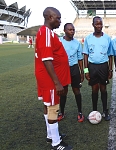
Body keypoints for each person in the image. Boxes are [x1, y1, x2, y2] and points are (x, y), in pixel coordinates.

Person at [35, 7, 73, 150]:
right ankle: (56, 143)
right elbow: (47, 60)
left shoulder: (48, 33)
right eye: (58, 18)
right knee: (53, 108)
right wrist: (57, 83)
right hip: (49, 79)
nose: (60, 21)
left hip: (47, 77)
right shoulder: (45, 32)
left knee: (47, 105)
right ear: (50, 18)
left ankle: (51, 135)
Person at [83, 16, 113, 121]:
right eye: (97, 23)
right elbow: (85, 55)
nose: (99, 26)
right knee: (94, 89)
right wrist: (86, 71)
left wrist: (110, 70)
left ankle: (105, 111)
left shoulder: (107, 38)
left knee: (103, 89)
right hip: (92, 67)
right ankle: (94, 111)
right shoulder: (88, 38)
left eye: (100, 24)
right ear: (93, 25)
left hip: (103, 66)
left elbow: (110, 55)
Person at [57, 23, 85, 122]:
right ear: (65, 31)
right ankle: (62, 112)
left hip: (74, 69)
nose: (72, 31)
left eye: (73, 30)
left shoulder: (77, 43)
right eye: (70, 30)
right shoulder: (59, 41)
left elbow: (80, 59)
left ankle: (80, 112)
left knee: (76, 90)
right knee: (63, 92)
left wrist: (83, 72)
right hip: (63, 69)